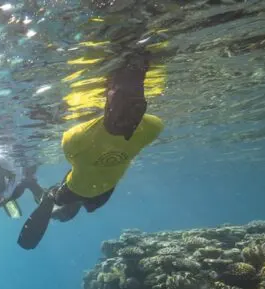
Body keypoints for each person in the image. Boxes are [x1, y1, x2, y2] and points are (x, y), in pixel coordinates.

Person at [17, 52, 163, 250]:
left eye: (136, 108)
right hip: (94, 190)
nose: (128, 117)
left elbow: (77, 160)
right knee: (70, 201)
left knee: (70, 201)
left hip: (93, 189)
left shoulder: (78, 138)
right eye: (124, 107)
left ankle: (59, 201)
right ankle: (57, 198)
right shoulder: (152, 127)